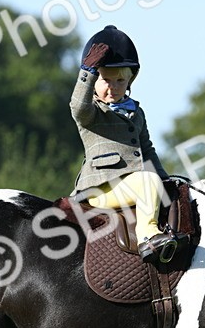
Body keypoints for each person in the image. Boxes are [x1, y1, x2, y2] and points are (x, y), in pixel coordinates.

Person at [69, 25, 177, 264]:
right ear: (94, 81)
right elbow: (78, 107)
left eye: (120, 80)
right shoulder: (92, 112)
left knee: (161, 186)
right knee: (148, 181)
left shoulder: (136, 112)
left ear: (130, 79)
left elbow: (147, 150)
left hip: (134, 185)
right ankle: (147, 236)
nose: (113, 87)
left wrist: (165, 179)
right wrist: (86, 72)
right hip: (99, 188)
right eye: (105, 80)